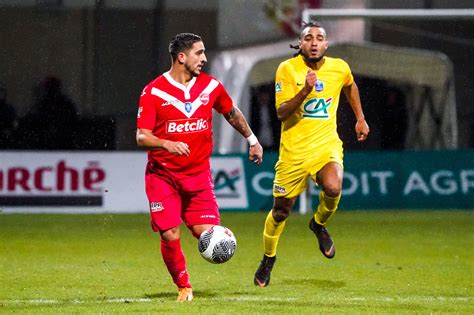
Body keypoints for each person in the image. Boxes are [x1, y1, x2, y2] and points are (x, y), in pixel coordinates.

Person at [136, 33, 263, 302]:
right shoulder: (154, 92)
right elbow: (141, 136)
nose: (204, 59)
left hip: (198, 176)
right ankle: (184, 286)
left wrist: (252, 140)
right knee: (170, 233)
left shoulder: (211, 87)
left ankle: (192, 271)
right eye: (199, 53)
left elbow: (231, 112)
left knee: (205, 234)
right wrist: (166, 144)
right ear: (181, 57)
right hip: (163, 176)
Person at [253, 21, 370, 287]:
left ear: (326, 44)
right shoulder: (287, 68)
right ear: (300, 44)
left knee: (333, 185)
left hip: (325, 145)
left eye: (319, 38)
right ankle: (268, 258)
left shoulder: (339, 67)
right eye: (308, 38)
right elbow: (281, 112)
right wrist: (305, 90)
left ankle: (318, 224)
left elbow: (350, 86)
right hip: (293, 152)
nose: (314, 42)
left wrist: (360, 118)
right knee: (281, 212)